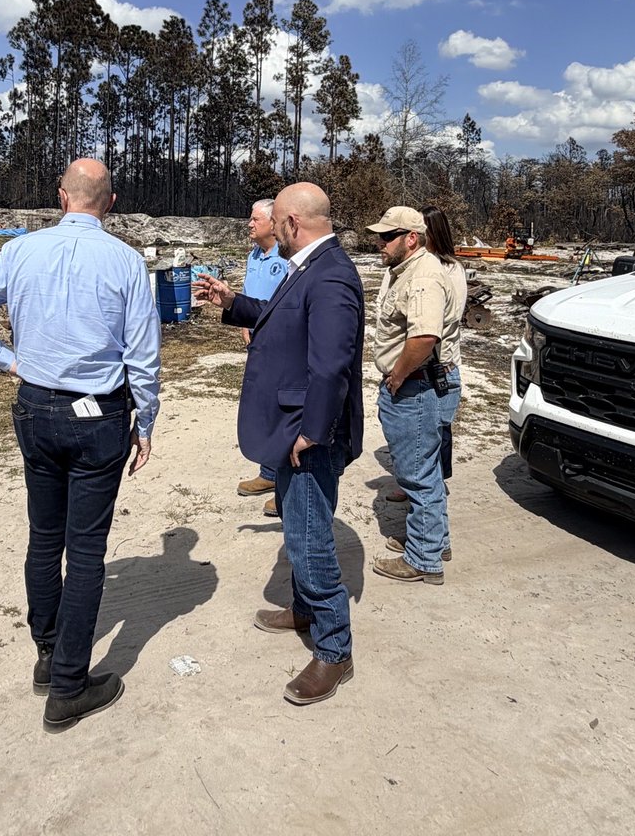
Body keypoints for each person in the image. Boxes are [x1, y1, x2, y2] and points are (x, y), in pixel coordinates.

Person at [0, 159, 160, 733]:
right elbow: (142, 352)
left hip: (36, 406)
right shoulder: (127, 262)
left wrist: (8, 359)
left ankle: (47, 652)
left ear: (62, 198)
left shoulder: (20, 252)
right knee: (85, 550)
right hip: (98, 414)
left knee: (45, 534)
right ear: (110, 203)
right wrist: (147, 417)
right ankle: (67, 685)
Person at [195, 183, 364, 706]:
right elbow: (284, 321)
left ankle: (335, 649)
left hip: (310, 435)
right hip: (294, 428)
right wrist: (233, 303)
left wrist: (312, 430)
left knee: (311, 537)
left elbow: (333, 365)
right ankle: (304, 610)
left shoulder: (332, 275)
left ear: (290, 223)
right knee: (298, 525)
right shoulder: (308, 268)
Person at [367, 206, 459, 585]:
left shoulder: (423, 277)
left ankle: (423, 559)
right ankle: (435, 541)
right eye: (381, 235)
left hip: (415, 384)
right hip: (414, 382)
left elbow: (423, 339)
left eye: (389, 236)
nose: (380, 243)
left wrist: (397, 376)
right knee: (426, 469)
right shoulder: (405, 271)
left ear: (412, 238)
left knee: (417, 474)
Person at [384, 204, 467, 501]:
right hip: (417, 364)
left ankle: (430, 500)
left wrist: (399, 371)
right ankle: (417, 490)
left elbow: (438, 325)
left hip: (438, 366)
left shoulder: (444, 270)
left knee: (434, 436)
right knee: (420, 444)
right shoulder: (406, 268)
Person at [235, 198, 289, 518]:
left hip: (279, 345)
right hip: (255, 343)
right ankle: (268, 474)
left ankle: (285, 486)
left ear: (273, 223)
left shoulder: (286, 257)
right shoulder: (254, 254)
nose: (250, 224)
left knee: (280, 412)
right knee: (262, 409)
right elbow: (247, 293)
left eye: (256, 219)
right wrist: (244, 322)